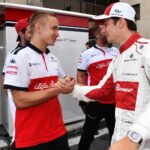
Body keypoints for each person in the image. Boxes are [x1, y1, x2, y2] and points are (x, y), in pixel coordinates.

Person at [72, 2, 150, 150]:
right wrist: (72, 89)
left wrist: (135, 136)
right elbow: (101, 91)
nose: (103, 30)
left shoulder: (147, 50)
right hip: (119, 140)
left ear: (120, 22)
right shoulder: (118, 58)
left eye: (106, 24)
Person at [4, 12, 75, 150]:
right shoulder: (19, 57)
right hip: (31, 139)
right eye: (54, 28)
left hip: (58, 132)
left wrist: (69, 84)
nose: (58, 33)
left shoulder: (53, 58)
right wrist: (56, 89)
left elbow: (64, 86)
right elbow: (20, 101)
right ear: (38, 28)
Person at [77, 24, 119, 150]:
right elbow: (80, 76)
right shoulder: (86, 54)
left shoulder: (116, 51)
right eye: (103, 28)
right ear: (97, 34)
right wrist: (83, 99)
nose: (107, 30)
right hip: (96, 102)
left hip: (114, 101)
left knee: (115, 134)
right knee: (87, 134)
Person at [1, 18, 31, 144]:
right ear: (21, 33)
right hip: (24, 119)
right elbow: (4, 78)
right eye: (30, 31)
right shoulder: (13, 54)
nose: (34, 34)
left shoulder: (40, 52)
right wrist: (14, 99)